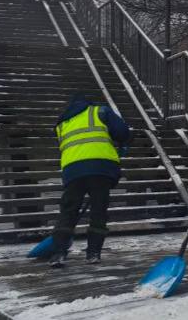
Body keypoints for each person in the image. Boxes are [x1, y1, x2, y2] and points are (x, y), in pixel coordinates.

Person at [49, 93, 131, 268]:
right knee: (98, 210)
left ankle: (58, 253)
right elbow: (122, 132)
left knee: (69, 210)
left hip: (72, 171)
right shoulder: (100, 111)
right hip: (100, 168)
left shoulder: (62, 123)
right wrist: (122, 143)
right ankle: (93, 253)